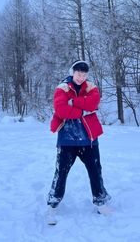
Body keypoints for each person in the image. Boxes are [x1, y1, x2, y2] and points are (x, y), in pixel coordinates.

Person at [46, 60, 110, 225]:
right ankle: (53, 206)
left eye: (84, 74)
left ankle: (100, 202)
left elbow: (94, 103)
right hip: (67, 139)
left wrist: (74, 102)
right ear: (72, 72)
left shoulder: (91, 87)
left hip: (89, 139)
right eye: (78, 73)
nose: (81, 77)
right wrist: (84, 110)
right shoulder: (63, 88)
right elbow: (61, 110)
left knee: (95, 171)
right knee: (61, 173)